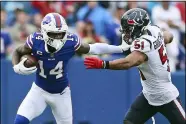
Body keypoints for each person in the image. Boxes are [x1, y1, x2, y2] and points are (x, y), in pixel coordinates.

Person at [12, 12, 129, 124]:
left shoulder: (70, 42)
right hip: (39, 90)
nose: (58, 37)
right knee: (20, 121)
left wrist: (119, 48)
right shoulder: (35, 41)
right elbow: (17, 51)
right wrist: (16, 66)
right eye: (53, 34)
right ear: (44, 32)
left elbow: (94, 48)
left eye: (60, 33)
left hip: (61, 94)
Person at [84, 8, 185, 124]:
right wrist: (161, 39)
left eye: (128, 29)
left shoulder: (144, 43)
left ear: (139, 27)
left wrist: (103, 64)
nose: (126, 33)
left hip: (166, 96)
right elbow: (169, 36)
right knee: (129, 122)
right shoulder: (154, 30)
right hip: (148, 95)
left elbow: (130, 62)